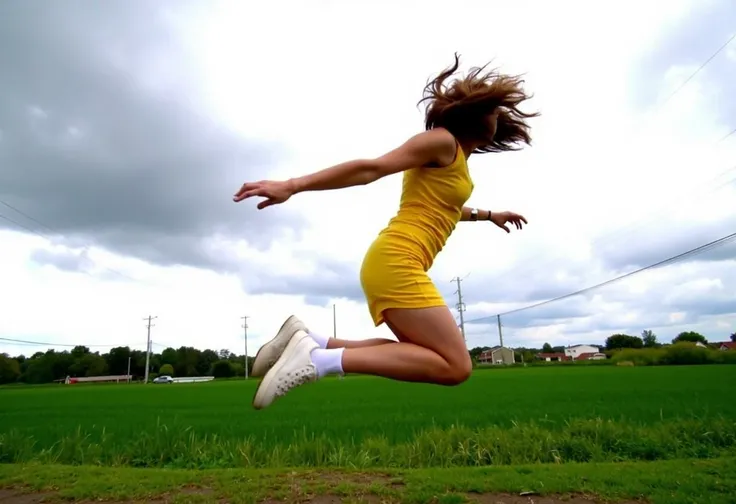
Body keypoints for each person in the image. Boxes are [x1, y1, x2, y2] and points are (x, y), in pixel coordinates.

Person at [233, 54, 538, 410]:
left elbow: (447, 210)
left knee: (419, 354)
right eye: (492, 110)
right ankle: (317, 361)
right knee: (455, 365)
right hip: (397, 261)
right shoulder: (441, 141)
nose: (498, 117)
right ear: (471, 115)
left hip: (394, 262)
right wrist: (293, 185)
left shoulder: (456, 163)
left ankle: (311, 340)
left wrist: (489, 215)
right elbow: (371, 169)